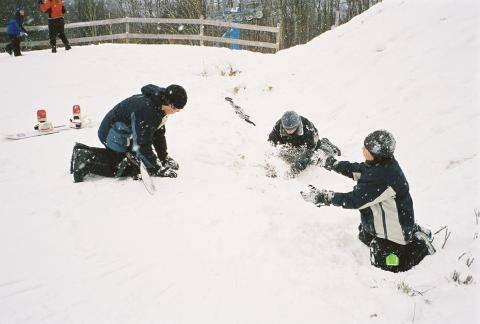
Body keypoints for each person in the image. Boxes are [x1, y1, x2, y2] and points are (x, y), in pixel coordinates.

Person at [301, 130, 435, 272]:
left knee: (385, 263)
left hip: (396, 230)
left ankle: (420, 244)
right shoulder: (381, 165)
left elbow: (354, 200)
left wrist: (324, 197)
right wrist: (331, 163)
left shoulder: (382, 176)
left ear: (376, 153)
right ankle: (410, 229)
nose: (362, 149)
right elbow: (358, 170)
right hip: (385, 221)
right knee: (365, 236)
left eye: (366, 148)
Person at [70, 84, 187, 183]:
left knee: (138, 159)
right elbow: (142, 143)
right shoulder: (148, 111)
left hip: (126, 132)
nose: (178, 112)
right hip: (111, 132)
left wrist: (163, 157)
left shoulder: (159, 104)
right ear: (170, 104)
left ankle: (85, 153)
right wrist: (156, 168)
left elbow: (158, 133)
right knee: (127, 167)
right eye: (177, 109)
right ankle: (84, 159)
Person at [267, 110, 341, 175]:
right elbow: (270, 144)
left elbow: (309, 152)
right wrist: (270, 163)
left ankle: (326, 143)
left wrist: (296, 168)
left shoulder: (308, 128)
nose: (289, 131)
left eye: (292, 129)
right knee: (284, 156)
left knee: (319, 158)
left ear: (298, 125)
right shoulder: (278, 126)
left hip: (308, 144)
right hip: (289, 143)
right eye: (287, 129)